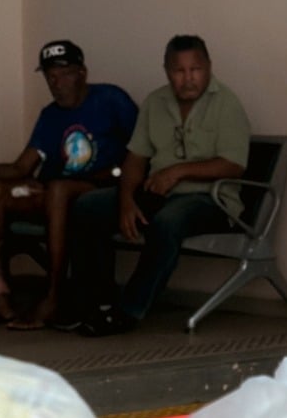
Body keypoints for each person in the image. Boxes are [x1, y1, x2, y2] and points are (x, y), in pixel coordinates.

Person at [69, 35, 250, 335]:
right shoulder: (156, 102)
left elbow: (233, 164)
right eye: (179, 70)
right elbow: (135, 159)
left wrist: (178, 172)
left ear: (209, 67)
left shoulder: (227, 103)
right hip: (157, 194)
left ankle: (128, 311)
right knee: (89, 207)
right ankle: (95, 303)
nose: (188, 78)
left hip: (210, 200)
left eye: (195, 69)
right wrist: (126, 200)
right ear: (167, 71)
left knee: (167, 222)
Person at [0, 40, 137, 329]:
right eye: (50, 77)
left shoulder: (111, 99)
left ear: (82, 73)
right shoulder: (51, 114)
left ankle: (54, 296)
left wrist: (116, 176)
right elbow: (21, 167)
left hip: (99, 189)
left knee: (58, 189)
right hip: (54, 192)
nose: (56, 84)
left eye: (64, 74)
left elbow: (142, 150)